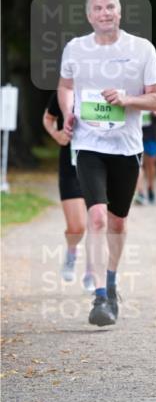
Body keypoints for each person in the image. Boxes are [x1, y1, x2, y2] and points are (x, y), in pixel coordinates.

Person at [57, 0, 156, 327]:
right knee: (98, 217)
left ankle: (113, 281)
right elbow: (65, 86)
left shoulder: (141, 49)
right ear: (89, 15)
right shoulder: (75, 48)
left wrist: (126, 99)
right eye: (98, 8)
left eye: (110, 7)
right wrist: (68, 111)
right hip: (89, 145)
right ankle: (100, 296)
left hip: (127, 147)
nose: (104, 13)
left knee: (117, 221)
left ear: (120, 12)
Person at [42, 93, 94, 291]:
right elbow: (48, 118)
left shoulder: (108, 91)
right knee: (77, 227)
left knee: (97, 224)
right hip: (71, 167)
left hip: (102, 167)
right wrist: (56, 135)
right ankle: (72, 252)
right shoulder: (65, 92)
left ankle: (91, 273)